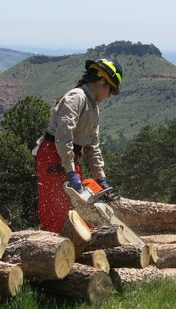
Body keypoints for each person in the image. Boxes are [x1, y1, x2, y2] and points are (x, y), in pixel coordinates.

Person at [34, 58, 123, 233]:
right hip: (54, 154)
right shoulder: (76, 98)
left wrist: (101, 178)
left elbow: (93, 146)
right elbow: (63, 137)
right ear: (102, 81)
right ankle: (54, 250)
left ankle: (80, 248)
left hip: (70, 157)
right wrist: (70, 170)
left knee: (81, 210)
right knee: (58, 211)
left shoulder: (93, 107)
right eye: (110, 90)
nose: (109, 95)